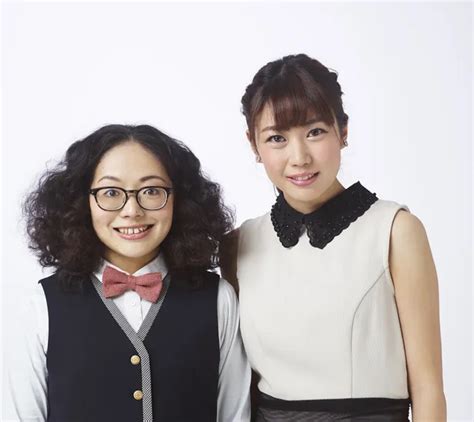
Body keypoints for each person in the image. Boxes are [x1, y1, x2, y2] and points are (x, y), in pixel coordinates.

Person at [221, 54, 446, 421]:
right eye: (277, 138)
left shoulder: (395, 230)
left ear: (343, 131)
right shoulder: (238, 245)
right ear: (254, 145)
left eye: (315, 132)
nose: (299, 157)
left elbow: (428, 388)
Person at [6, 124, 251, 422]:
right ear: (82, 201)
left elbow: (235, 416)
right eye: (110, 192)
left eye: (151, 191)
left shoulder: (219, 299)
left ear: (180, 199)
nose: (132, 211)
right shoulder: (41, 306)